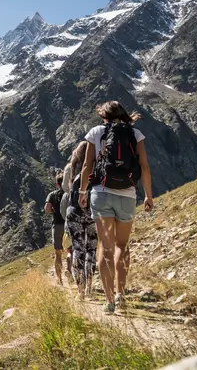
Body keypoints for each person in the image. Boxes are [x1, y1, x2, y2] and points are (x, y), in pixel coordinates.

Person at [79, 101, 153, 314]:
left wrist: (83, 192)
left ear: (104, 116)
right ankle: (121, 294)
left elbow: (87, 165)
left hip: (101, 194)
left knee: (105, 246)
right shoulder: (135, 134)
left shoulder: (96, 132)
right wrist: (148, 195)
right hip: (127, 195)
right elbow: (144, 166)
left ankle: (109, 300)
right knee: (122, 245)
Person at [64, 141, 98, 300]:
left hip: (74, 212)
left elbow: (66, 188)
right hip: (92, 212)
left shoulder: (71, 168)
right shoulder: (97, 166)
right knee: (91, 249)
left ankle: (80, 290)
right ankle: (90, 286)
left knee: (78, 249)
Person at [45, 173, 66, 285]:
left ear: (57, 183)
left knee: (58, 254)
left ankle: (59, 279)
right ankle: (70, 272)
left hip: (57, 225)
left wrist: (54, 211)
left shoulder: (52, 195)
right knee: (71, 251)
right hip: (69, 225)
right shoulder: (69, 193)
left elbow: (47, 209)